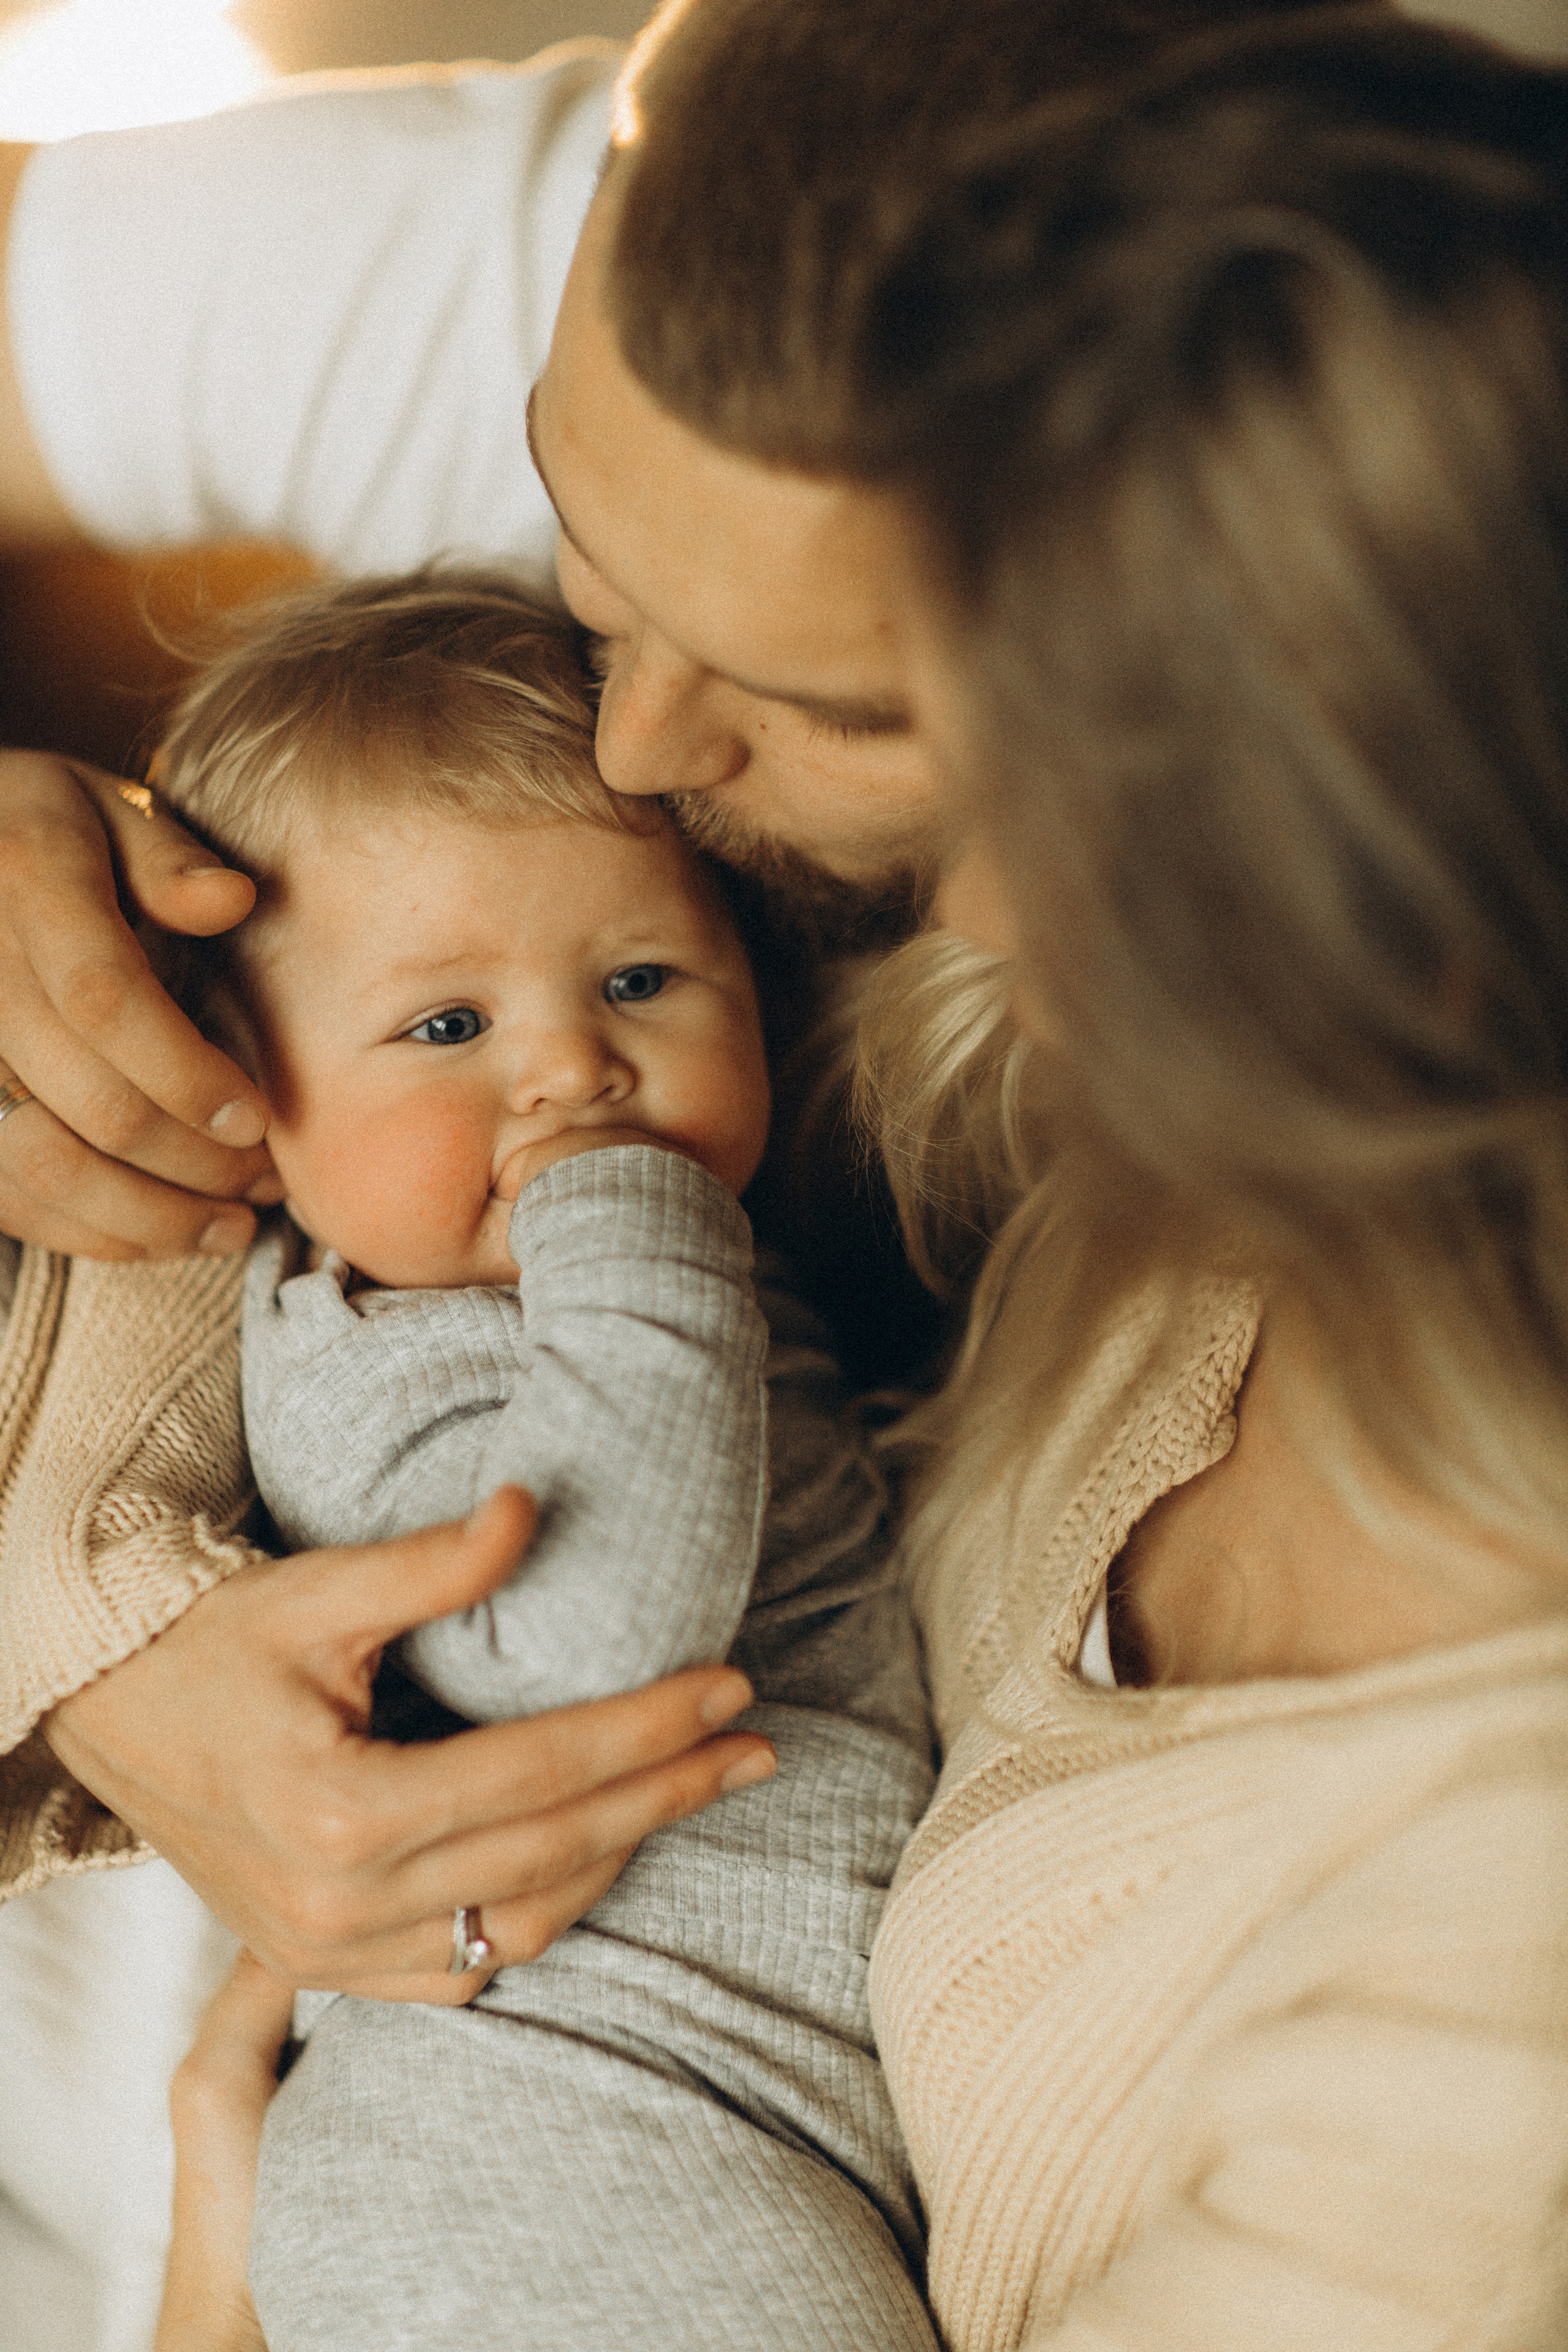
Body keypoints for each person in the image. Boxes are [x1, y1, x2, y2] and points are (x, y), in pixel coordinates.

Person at [148, 7, 1568, 2348]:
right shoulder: (801, 276)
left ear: (1232, 791)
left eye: (830, 701)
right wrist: (109, 1640)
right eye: (596, 584)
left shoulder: (1470, 2048)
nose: (633, 749)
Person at [143, 565, 933, 2348]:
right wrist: (638, 1218)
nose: (574, 1072)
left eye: (643, 980)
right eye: (448, 1028)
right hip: (549, 2137)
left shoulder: (666, 1280)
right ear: (244, 1104)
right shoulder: (386, 1369)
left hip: (687, 2127)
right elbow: (588, 1629)